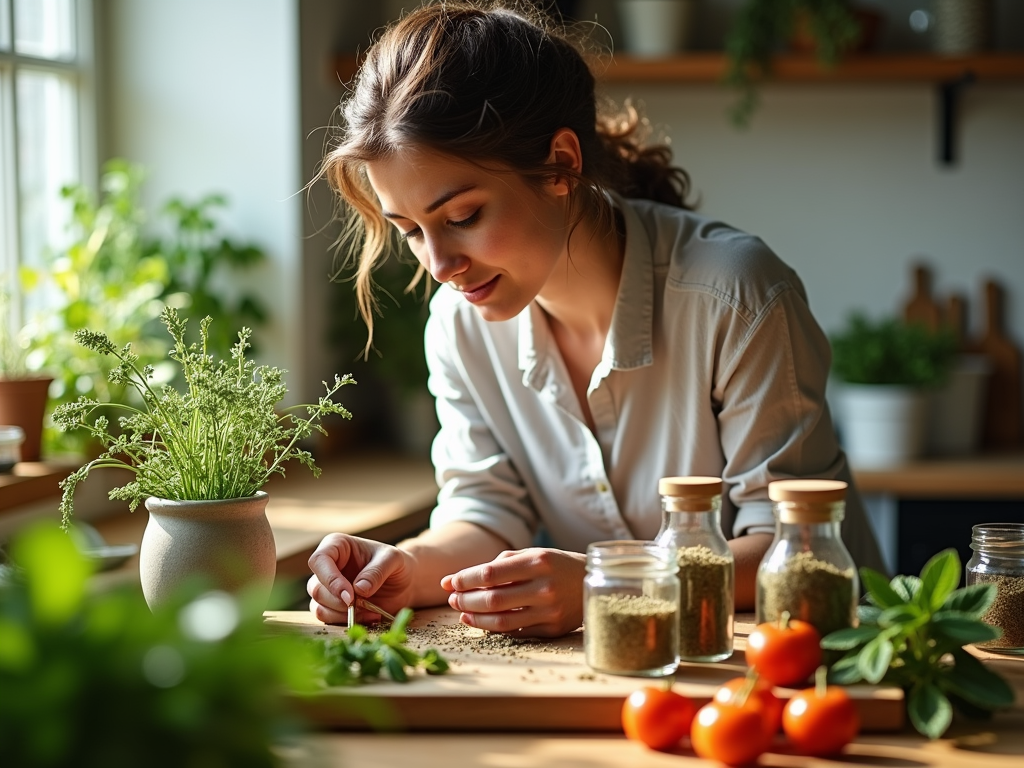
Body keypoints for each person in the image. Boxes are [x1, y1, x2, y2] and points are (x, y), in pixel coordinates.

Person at [307, 1, 885, 637]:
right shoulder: (458, 326)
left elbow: (790, 548)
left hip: (820, 652)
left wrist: (606, 581)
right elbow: (484, 512)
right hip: (633, 665)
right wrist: (403, 569)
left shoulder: (736, 297)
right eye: (411, 230)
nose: (440, 264)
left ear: (560, 164)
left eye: (464, 217)